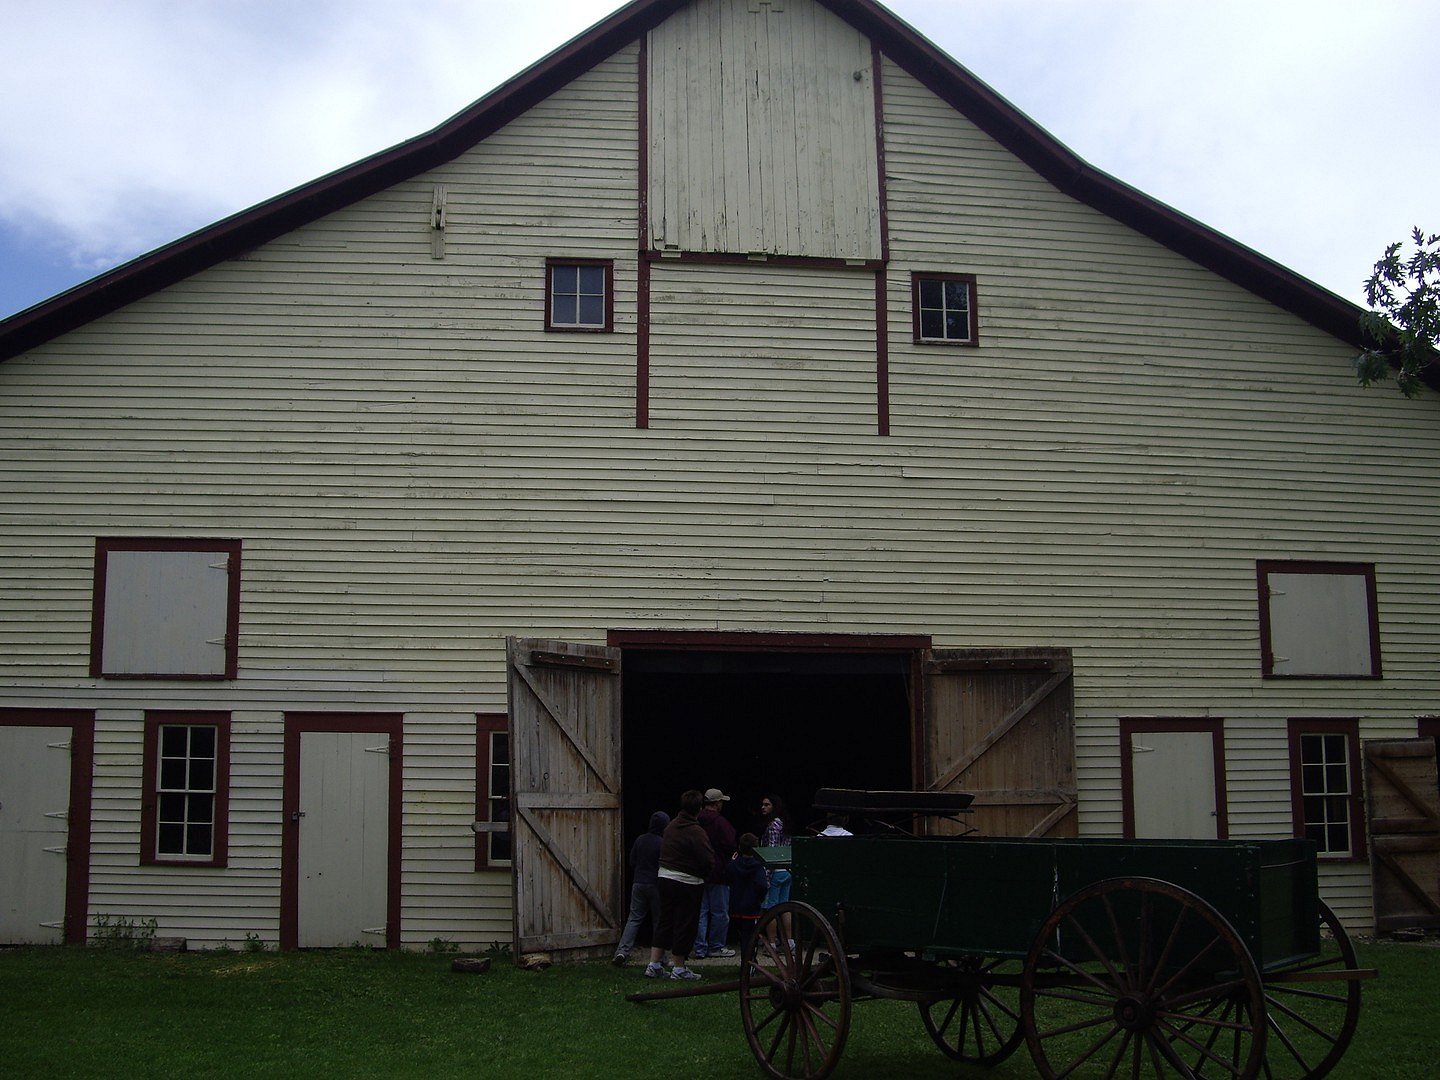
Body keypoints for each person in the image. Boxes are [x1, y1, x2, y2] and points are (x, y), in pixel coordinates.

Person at [644, 789, 713, 980]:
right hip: (688, 881)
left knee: (665, 920)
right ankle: (679, 967)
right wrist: (706, 874)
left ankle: (654, 963)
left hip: (665, 877)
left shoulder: (671, 827)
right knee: (685, 923)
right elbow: (707, 859)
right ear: (699, 808)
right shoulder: (696, 831)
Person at [612, 810, 669, 966]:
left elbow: (632, 861)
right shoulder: (662, 843)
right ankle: (661, 957)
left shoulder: (640, 840)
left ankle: (622, 951)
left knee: (634, 918)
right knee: (659, 921)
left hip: (638, 883)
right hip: (655, 884)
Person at [691, 787, 737, 959]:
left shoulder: (695, 820)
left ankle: (700, 947)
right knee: (720, 912)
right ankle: (716, 946)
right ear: (717, 803)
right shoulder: (720, 823)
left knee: (701, 911)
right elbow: (731, 844)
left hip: (698, 872)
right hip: (718, 872)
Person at [725, 832, 768, 959]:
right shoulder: (758, 866)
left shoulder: (733, 865)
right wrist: (759, 899)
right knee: (750, 938)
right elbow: (762, 886)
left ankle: (747, 963)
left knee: (743, 936)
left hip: (736, 906)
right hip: (752, 908)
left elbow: (727, 878)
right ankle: (749, 963)